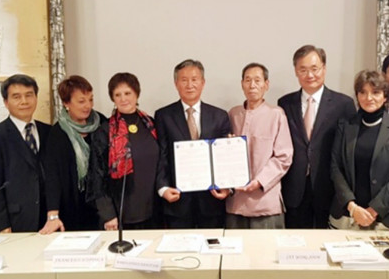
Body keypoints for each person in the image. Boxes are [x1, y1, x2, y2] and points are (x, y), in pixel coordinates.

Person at [329, 70, 389, 229]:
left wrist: (373, 210)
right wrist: (352, 207)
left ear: (385, 96)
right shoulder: (345, 126)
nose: (368, 98)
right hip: (349, 215)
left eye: (375, 92)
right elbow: (336, 168)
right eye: (363, 92)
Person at [278, 45, 356, 229]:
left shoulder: (343, 104)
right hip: (295, 187)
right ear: (296, 72)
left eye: (315, 69)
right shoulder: (284, 103)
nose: (310, 75)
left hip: (329, 186)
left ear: (324, 69)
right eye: (303, 70)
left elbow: (349, 151)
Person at [154, 59, 231, 228]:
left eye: (194, 79)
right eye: (184, 80)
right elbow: (162, 155)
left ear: (203, 83)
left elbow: (225, 158)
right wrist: (163, 188)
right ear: (176, 84)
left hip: (212, 200)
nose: (190, 85)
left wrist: (227, 186)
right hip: (177, 199)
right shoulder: (163, 116)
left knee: (213, 250)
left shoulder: (220, 116)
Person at [88, 73, 160, 230]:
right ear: (113, 99)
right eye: (117, 95)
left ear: (136, 94)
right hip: (121, 214)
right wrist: (108, 214)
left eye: (127, 93)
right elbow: (96, 176)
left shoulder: (151, 125)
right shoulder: (105, 131)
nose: (123, 99)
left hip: (154, 209)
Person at [0, 74, 50, 233]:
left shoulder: (48, 132)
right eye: (16, 97)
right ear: (6, 102)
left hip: (47, 220)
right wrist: (0, 224)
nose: (24, 101)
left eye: (29, 95)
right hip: (14, 221)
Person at [226, 63, 293, 229]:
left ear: (266, 84)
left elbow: (284, 157)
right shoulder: (232, 114)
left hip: (266, 202)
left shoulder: (277, 114)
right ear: (242, 84)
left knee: (266, 252)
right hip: (236, 202)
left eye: (257, 80)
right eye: (247, 80)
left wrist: (259, 181)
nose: (252, 85)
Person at [39, 76, 106, 234]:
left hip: (102, 205)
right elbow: (53, 176)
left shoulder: (102, 123)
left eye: (91, 99)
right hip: (72, 206)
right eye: (81, 101)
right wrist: (53, 215)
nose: (88, 106)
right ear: (66, 103)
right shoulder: (57, 133)